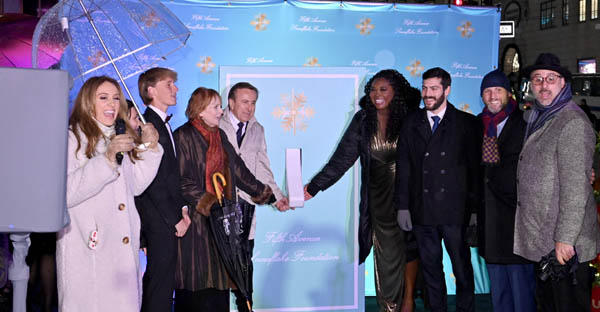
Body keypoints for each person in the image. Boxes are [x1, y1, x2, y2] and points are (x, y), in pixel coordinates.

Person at [304, 69, 421, 312]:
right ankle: (389, 307)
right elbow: (341, 160)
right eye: (373, 89)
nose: (376, 95)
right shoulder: (363, 120)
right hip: (378, 200)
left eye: (383, 89)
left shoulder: (411, 118)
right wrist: (314, 188)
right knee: (385, 255)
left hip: (408, 197)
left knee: (410, 248)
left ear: (395, 92)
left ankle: (408, 300)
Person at [58, 76, 162, 312]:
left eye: (116, 98)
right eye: (103, 98)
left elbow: (134, 185)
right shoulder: (72, 138)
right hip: (89, 253)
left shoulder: (117, 136)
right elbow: (66, 193)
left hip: (122, 260)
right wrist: (105, 160)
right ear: (87, 102)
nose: (112, 104)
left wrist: (149, 148)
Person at [173, 87, 276, 311]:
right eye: (216, 107)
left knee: (220, 284)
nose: (221, 112)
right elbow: (182, 182)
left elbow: (238, 171)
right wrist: (210, 204)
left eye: (220, 106)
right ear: (200, 111)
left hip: (221, 223)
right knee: (196, 285)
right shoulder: (183, 136)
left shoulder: (219, 135)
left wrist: (267, 194)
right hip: (196, 224)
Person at [514, 53, 599, 312]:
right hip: (545, 239)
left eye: (551, 78)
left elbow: (576, 190)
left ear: (564, 84)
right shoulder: (543, 116)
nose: (543, 84)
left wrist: (564, 239)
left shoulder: (571, 122)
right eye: (537, 79)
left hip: (564, 247)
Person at [395, 67, 481, 312]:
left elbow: (475, 171)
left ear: (447, 90)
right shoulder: (411, 123)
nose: (427, 94)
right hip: (423, 212)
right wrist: (402, 206)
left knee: (462, 269)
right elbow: (404, 168)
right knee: (431, 270)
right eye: (424, 88)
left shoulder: (467, 124)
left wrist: (475, 210)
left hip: (456, 212)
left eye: (433, 88)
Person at [219, 82, 290, 311]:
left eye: (253, 103)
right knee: (220, 264)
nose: (249, 108)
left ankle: (245, 306)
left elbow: (262, 166)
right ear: (231, 102)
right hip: (219, 206)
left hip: (248, 206)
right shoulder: (216, 125)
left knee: (244, 263)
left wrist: (277, 197)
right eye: (244, 102)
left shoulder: (258, 129)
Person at [476, 69, 536, 312]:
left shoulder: (526, 123)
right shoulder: (477, 126)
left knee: (522, 290)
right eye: (487, 92)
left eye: (497, 90)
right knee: (499, 292)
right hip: (489, 222)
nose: (492, 96)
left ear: (508, 94)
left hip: (518, 222)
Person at [135, 67, 191, 312]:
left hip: (168, 216)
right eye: (169, 84)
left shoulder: (162, 123)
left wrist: (183, 209)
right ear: (151, 91)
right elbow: (153, 180)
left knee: (163, 280)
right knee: (159, 283)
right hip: (158, 218)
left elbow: (171, 175)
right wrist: (174, 218)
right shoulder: (148, 125)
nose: (175, 88)